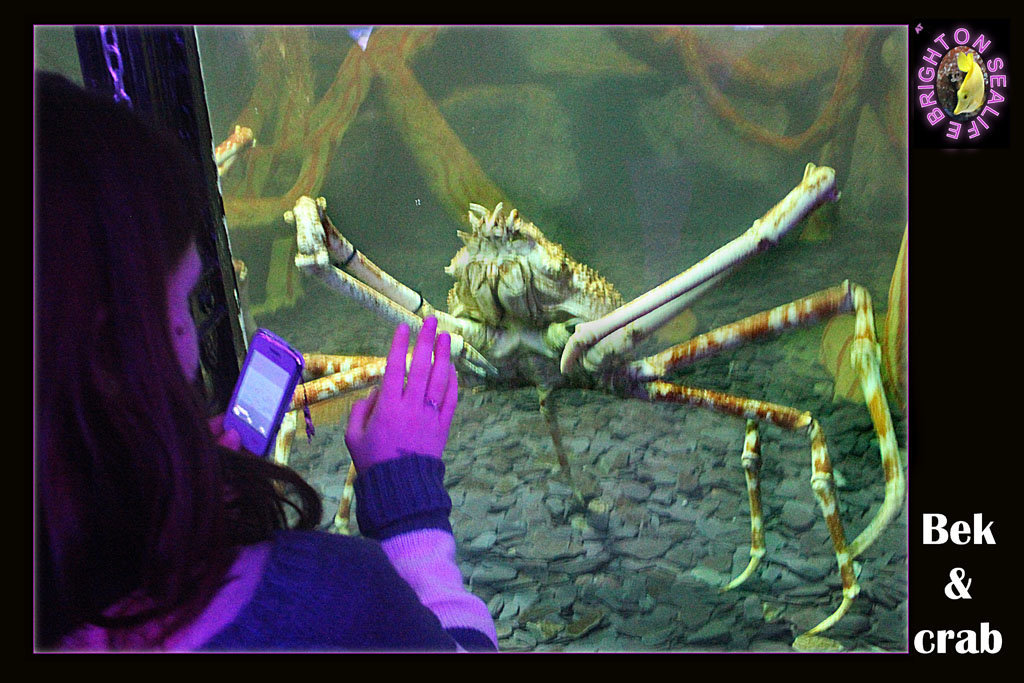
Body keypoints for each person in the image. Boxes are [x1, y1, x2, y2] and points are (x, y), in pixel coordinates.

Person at [35, 71, 498, 652]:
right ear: (121, 349)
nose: (193, 336)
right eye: (188, 305)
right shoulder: (324, 596)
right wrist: (410, 509)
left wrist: (187, 485)